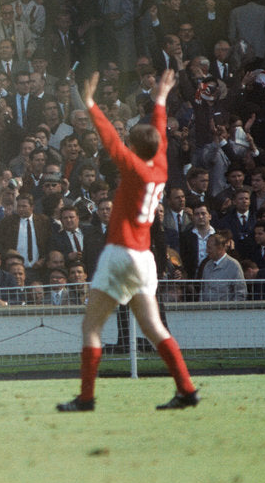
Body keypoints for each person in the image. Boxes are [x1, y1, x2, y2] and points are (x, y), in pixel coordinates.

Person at [58, 70, 199, 412]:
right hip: (145, 256)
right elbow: (161, 131)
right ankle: (186, 388)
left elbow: (109, 140)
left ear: (135, 147)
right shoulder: (161, 167)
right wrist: (161, 96)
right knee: (152, 326)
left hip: (120, 252)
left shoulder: (134, 168)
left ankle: (87, 397)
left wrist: (90, 103)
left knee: (91, 326)